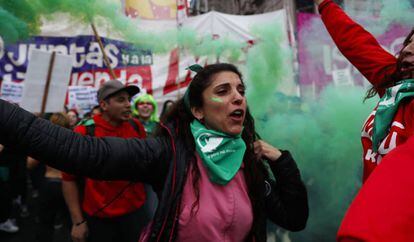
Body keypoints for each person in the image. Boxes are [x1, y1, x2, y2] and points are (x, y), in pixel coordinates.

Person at [0, 63, 308, 242]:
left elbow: (294, 219)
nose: (238, 98)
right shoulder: (170, 152)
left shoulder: (247, 161)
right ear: (198, 110)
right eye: (223, 91)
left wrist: (282, 162)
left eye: (240, 90)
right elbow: (82, 153)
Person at [315, 0, 414, 241]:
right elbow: (356, 42)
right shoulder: (394, 84)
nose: (409, 49)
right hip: (373, 225)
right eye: (410, 41)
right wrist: (326, 5)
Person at [61, 80, 149, 242]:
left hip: (136, 213)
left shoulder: (136, 126)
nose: (128, 105)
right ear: (104, 105)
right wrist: (78, 222)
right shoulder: (84, 131)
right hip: (100, 219)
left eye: (129, 100)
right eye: (121, 100)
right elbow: (68, 180)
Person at [29, 113, 72, 242]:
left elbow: (30, 164)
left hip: (49, 183)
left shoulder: (44, 141)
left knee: (45, 223)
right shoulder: (73, 141)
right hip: (68, 185)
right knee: (69, 223)